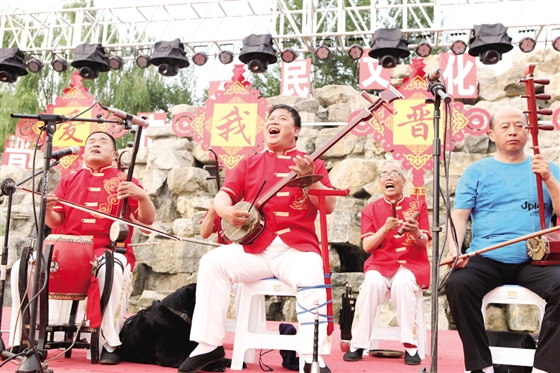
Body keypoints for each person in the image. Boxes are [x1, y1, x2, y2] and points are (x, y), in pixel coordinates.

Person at [178, 104, 337, 373]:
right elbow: (224, 195)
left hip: (295, 249)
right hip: (255, 248)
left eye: (282, 119)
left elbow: (329, 205)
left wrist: (310, 178)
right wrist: (225, 210)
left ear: (296, 130)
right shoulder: (249, 163)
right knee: (212, 263)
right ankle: (209, 345)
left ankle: (312, 355)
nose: (273, 122)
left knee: (313, 270)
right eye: (271, 119)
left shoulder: (312, 162)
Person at [9, 131, 155, 365]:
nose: (96, 144)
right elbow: (55, 221)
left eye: (103, 141)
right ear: (84, 152)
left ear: (115, 154)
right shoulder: (69, 179)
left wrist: (143, 197)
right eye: (91, 142)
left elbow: (146, 221)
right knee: (22, 267)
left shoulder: (125, 181)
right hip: (64, 252)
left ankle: (109, 343)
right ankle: (27, 339)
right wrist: (47, 210)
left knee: (113, 269)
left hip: (104, 252)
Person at [445, 107, 560, 373]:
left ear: (528, 132)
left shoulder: (546, 167)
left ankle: (545, 367)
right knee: (458, 284)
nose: (513, 131)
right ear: (491, 134)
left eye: (519, 125)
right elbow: (459, 216)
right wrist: (456, 251)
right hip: (487, 257)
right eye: (505, 126)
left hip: (535, 260)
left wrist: (549, 179)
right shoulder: (477, 171)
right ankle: (481, 366)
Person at [342, 163, 430, 366]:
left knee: (404, 283)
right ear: (381, 183)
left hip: (410, 264)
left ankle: (411, 345)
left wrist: (415, 232)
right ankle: (358, 344)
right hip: (379, 265)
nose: (389, 178)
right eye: (384, 175)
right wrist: (384, 229)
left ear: (403, 181)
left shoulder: (418, 206)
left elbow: (424, 241)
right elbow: (367, 246)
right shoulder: (370, 210)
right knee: (371, 284)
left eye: (394, 174)